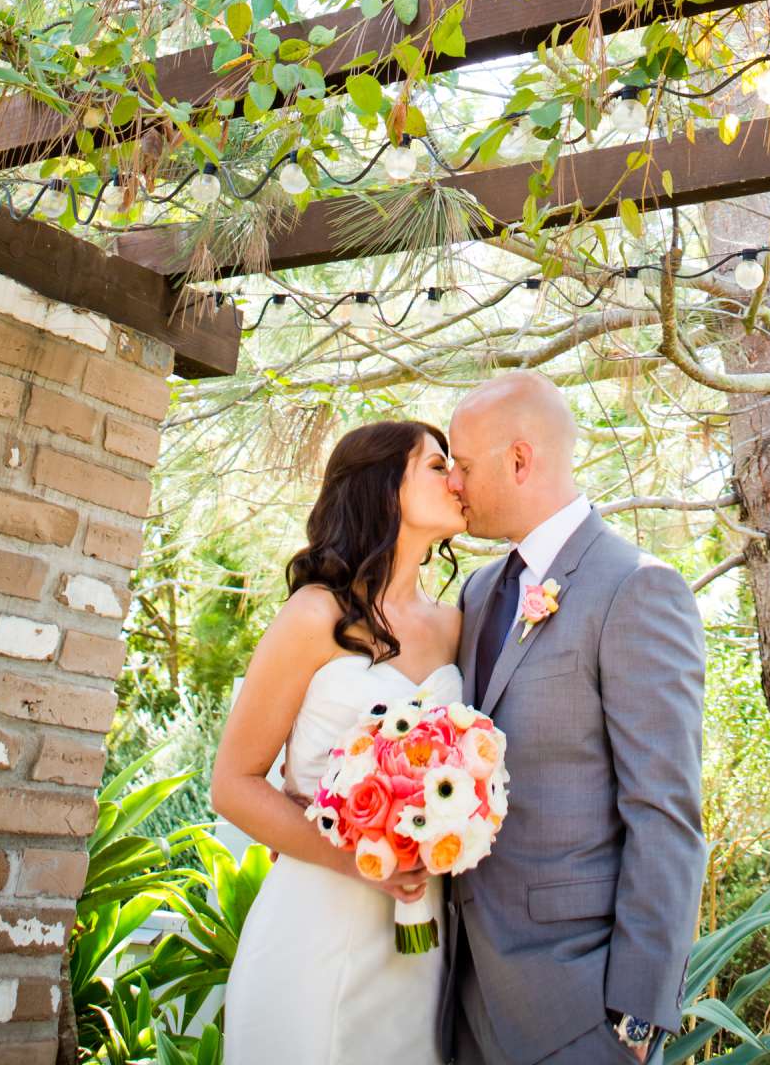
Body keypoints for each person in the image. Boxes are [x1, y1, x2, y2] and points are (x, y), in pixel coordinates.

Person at [442, 372, 707, 1065]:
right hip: (458, 994)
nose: (453, 484)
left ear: (520, 460)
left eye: (463, 466)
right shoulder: (475, 591)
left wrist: (634, 1020)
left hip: (577, 1007)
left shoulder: (637, 587)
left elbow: (666, 812)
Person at [213, 418, 467, 1065]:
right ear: (384, 487)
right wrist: (359, 862)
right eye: (438, 466)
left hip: (424, 926)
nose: (456, 478)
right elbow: (234, 785)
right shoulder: (314, 616)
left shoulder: (456, 625)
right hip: (317, 915)